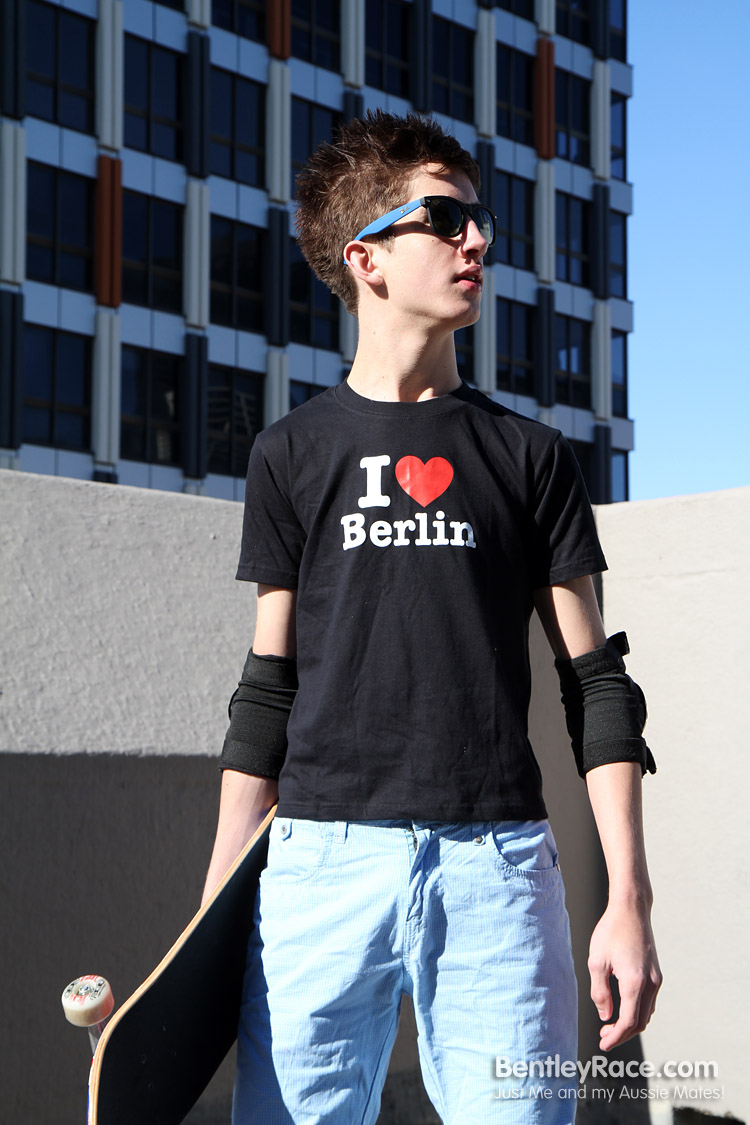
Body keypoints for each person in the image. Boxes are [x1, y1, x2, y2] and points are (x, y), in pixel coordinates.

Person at [202, 110, 661, 1124]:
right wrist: (216, 905)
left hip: (498, 871)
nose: (478, 240)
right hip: (318, 867)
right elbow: (267, 688)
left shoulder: (531, 456)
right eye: (447, 219)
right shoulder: (290, 454)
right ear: (366, 258)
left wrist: (627, 899)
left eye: (479, 219)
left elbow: (597, 687)